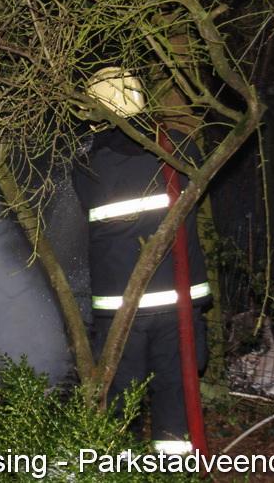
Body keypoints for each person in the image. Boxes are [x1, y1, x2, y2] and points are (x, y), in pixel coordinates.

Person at [73, 67, 211, 456]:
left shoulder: (90, 164)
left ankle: (122, 471)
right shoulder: (180, 149)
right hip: (178, 305)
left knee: (120, 404)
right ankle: (175, 471)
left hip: (122, 311)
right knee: (176, 399)